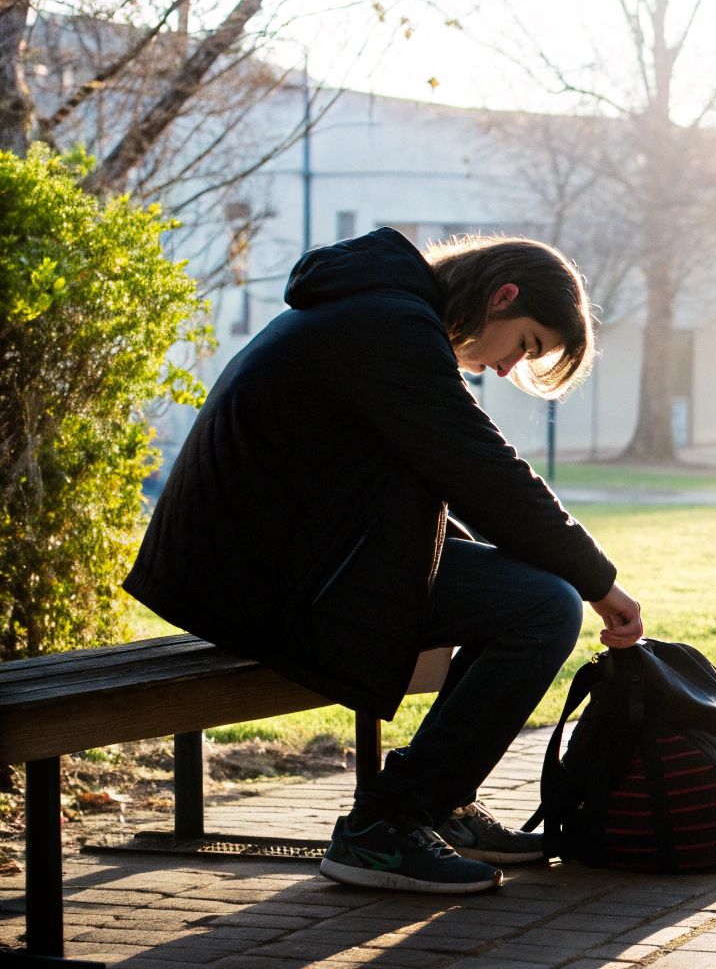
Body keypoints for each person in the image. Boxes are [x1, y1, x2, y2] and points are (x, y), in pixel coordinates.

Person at [124, 227, 645, 894]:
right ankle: (384, 825)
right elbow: (484, 474)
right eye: (526, 344)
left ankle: (440, 806)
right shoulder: (391, 327)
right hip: (258, 580)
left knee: (527, 592)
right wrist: (599, 584)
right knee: (544, 607)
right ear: (503, 296)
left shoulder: (377, 308)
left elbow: (430, 482)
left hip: (270, 560)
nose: (507, 368)